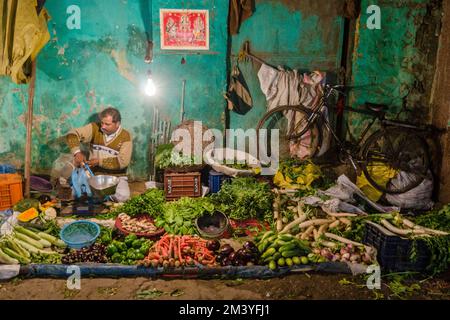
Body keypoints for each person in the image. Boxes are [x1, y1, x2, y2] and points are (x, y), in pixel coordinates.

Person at [65, 107, 133, 202]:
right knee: (74, 193)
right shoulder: (94, 128)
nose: (103, 126)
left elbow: (123, 161)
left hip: (116, 177)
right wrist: (77, 152)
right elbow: (71, 134)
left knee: (123, 196)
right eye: (102, 123)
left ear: (117, 124)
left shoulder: (126, 136)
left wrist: (99, 161)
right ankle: (99, 196)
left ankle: (98, 196)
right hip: (94, 174)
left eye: (107, 124)